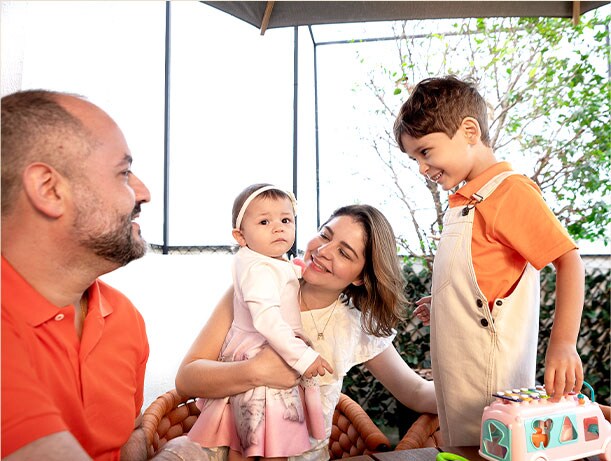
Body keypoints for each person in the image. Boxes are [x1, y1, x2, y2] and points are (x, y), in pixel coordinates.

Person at [1, 89, 206, 461]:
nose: (143, 192)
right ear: (49, 190)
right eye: (124, 173)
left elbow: (125, 436)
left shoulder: (123, 317)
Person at [393, 75, 585, 445]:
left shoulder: (509, 191)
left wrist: (562, 342)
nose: (421, 168)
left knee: (491, 449)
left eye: (425, 152)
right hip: (457, 381)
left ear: (469, 131)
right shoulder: (465, 200)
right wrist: (448, 304)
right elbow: (486, 279)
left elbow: (569, 260)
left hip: (492, 386)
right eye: (414, 158)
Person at [176, 204, 437, 461]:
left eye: (344, 253)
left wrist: (475, 399)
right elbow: (187, 379)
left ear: (360, 277)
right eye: (325, 235)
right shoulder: (255, 291)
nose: (323, 251)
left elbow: (415, 392)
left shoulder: (356, 327)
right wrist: (255, 370)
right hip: (220, 449)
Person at [188, 183, 331, 460]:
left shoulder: (264, 261)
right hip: (260, 354)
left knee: (249, 439)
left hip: (261, 355)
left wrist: (295, 270)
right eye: (265, 221)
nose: (278, 228)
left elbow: (281, 278)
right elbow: (266, 319)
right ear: (240, 236)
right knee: (265, 441)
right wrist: (303, 357)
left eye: (285, 220)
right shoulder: (258, 269)